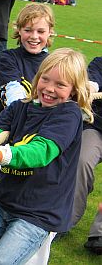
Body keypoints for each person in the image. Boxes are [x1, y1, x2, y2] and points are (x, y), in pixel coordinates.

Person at [0, 48, 93, 264]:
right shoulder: (20, 107)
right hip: (2, 201)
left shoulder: (68, 115)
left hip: (38, 215)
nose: (49, 89)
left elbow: (40, 151)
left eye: (60, 85)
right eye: (45, 79)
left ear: (74, 90)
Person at [0, 2, 54, 122]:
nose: (34, 36)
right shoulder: (7, 59)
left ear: (50, 32)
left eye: (41, 31)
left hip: (36, 132)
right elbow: (13, 94)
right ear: (19, 30)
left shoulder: (54, 64)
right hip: (0, 131)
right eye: (28, 30)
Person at [70, 56, 102, 255]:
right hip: (97, 128)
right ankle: (65, 220)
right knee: (81, 161)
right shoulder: (100, 63)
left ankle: (99, 235)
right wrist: (91, 87)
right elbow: (93, 80)